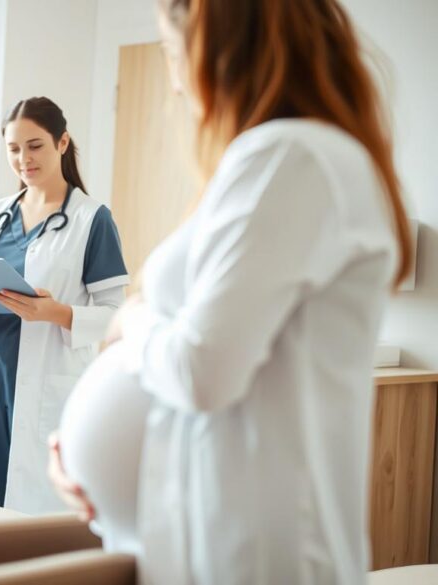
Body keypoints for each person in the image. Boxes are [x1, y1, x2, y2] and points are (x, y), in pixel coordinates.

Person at [51, 1, 414, 583]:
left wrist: (131, 321)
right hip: (184, 531)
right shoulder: (284, 158)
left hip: (250, 552)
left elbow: (203, 370)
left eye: (175, 53)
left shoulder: (292, 158)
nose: (175, 83)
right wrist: (75, 446)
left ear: (221, 51)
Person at [0, 97, 129, 512]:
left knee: (28, 513)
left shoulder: (90, 218)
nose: (23, 159)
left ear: (62, 143)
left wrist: (57, 313)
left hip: (44, 380)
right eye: (13, 149)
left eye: (35, 146)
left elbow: (115, 317)